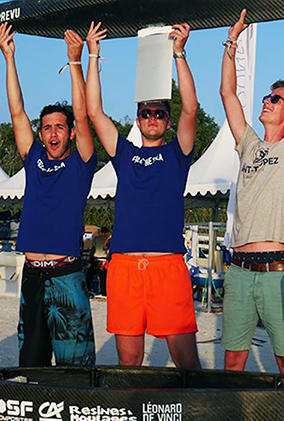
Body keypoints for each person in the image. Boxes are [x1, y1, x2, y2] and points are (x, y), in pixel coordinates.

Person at [85, 22, 201, 368]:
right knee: (129, 360)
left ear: (167, 121)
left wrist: (179, 54)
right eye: (146, 113)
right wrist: (93, 55)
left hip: (168, 266)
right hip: (124, 267)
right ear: (137, 119)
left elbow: (191, 109)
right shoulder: (124, 153)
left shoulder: (177, 154)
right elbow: (94, 112)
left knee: (185, 360)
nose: (152, 117)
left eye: (159, 113)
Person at [219, 1, 284, 374]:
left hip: (278, 271)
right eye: (266, 96)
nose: (266, 100)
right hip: (239, 270)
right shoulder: (249, 144)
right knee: (233, 363)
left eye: (275, 99)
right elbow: (228, 94)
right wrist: (231, 43)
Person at [0, 23, 97, 367]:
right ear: (41, 134)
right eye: (47, 127)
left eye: (60, 127)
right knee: (32, 364)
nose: (53, 133)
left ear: (71, 133)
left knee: (75, 369)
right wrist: (9, 57)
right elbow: (16, 111)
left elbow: (82, 114)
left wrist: (75, 62)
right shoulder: (34, 158)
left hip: (66, 275)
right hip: (32, 275)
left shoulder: (81, 162)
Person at [86, 226, 110, 295]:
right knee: (103, 277)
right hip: (103, 260)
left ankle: (88, 289)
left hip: (95, 258)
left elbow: (93, 249)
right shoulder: (107, 239)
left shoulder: (96, 239)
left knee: (90, 275)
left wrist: (90, 259)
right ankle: (103, 292)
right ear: (106, 233)